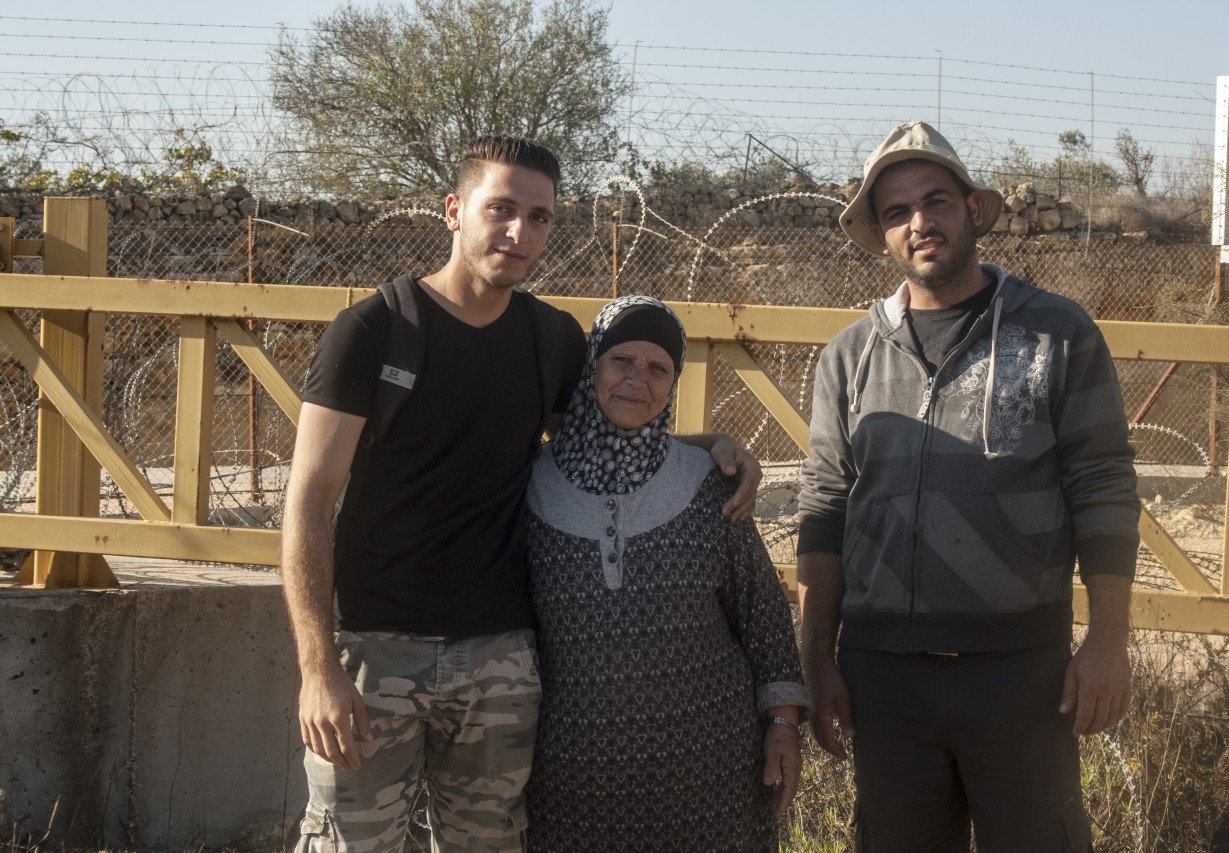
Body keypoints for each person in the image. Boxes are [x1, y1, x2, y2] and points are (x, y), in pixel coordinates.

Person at [281, 137, 761, 853]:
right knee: (352, 843)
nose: (519, 232)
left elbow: (608, 433)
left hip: (500, 656)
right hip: (375, 651)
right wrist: (318, 668)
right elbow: (309, 502)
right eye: (501, 209)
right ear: (454, 210)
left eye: (538, 217)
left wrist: (708, 443)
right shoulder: (375, 331)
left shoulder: (550, 338)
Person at [797, 120, 1140, 852]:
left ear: (972, 210)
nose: (920, 222)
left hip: (1020, 676)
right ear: (883, 235)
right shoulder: (850, 356)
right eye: (896, 212)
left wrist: (1109, 639)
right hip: (885, 682)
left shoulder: (1055, 332)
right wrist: (817, 655)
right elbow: (825, 508)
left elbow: (1103, 486)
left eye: (936, 201)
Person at [521, 295, 809, 853]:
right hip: (570, 790)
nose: (638, 381)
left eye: (658, 369)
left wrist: (784, 723)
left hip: (710, 786)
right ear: (591, 370)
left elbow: (763, 617)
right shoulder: (531, 484)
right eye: (621, 362)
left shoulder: (710, 481)